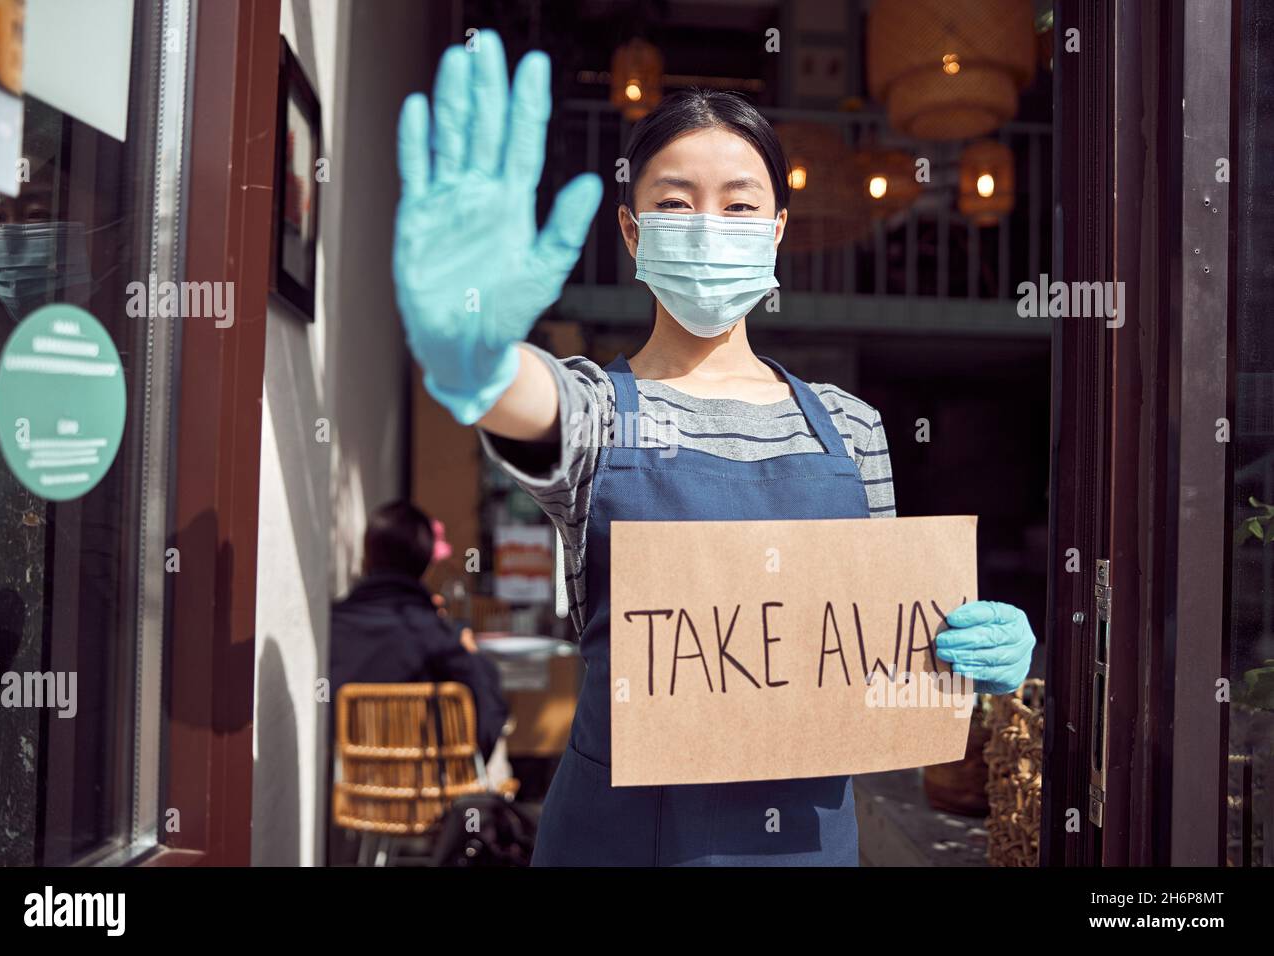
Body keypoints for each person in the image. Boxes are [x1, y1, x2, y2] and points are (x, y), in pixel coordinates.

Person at [391, 30, 1037, 866]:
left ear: (774, 233)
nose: (707, 225)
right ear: (630, 233)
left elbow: (874, 641)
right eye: (673, 202)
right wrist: (475, 359)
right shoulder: (599, 413)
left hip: (806, 841)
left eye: (738, 205)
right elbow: (530, 402)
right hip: (620, 839)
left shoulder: (850, 425)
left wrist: (965, 657)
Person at [329, 500, 508, 763]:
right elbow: (484, 730)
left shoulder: (331, 626)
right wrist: (472, 655)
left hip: (347, 792)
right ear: (426, 566)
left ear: (367, 557)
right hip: (425, 797)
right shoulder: (431, 635)